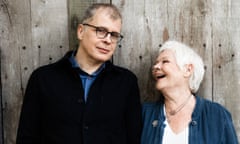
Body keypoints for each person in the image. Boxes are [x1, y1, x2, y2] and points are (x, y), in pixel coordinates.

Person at [16, 3, 142, 144]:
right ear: (81, 31)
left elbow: (133, 139)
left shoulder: (126, 82)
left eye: (114, 35)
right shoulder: (43, 79)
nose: (108, 40)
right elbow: (27, 138)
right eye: (101, 31)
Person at [141, 40, 238, 144]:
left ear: (188, 70)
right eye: (156, 63)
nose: (156, 67)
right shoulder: (145, 113)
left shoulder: (217, 115)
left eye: (165, 61)